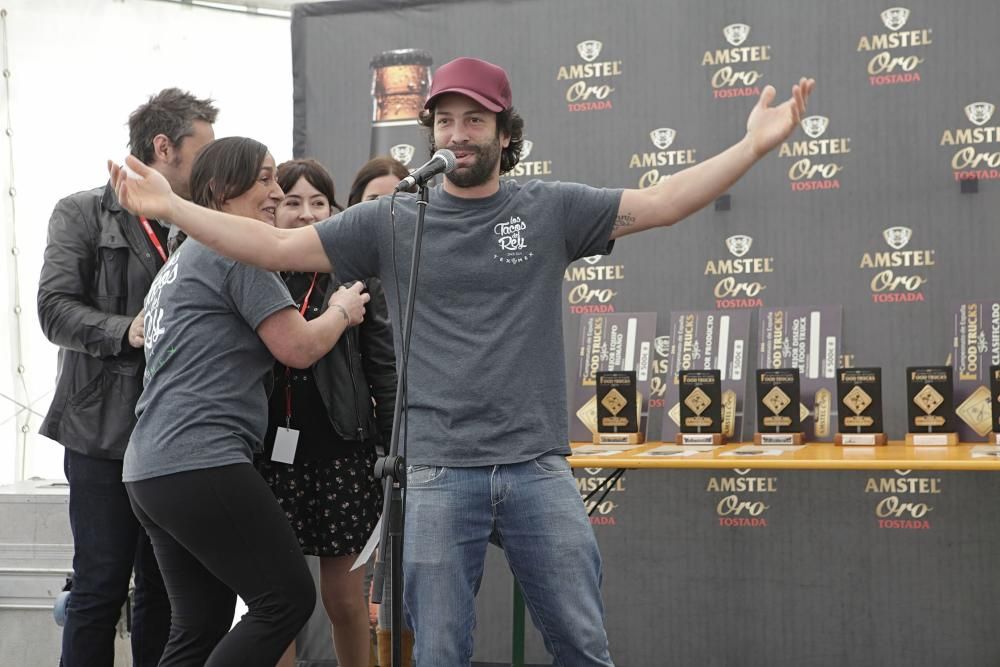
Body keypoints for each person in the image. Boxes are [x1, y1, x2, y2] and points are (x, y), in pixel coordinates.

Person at [109, 57, 814, 666]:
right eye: (444, 121)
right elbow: (275, 249)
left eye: (474, 121)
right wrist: (177, 207)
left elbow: (661, 201)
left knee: (580, 641)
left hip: (537, 466)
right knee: (440, 650)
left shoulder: (551, 209)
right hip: (441, 471)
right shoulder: (394, 218)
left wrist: (751, 146)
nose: (457, 134)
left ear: (507, 134)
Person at [121, 136, 371, 666]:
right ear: (219, 190)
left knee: (200, 625)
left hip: (150, 469)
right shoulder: (235, 252)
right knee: (286, 600)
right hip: (199, 460)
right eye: (264, 179)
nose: (277, 193)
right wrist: (342, 310)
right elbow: (298, 348)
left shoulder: (180, 260)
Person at [38, 87, 217, 667]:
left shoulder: (201, 221)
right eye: (202, 151)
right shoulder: (81, 212)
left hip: (176, 432)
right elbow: (53, 310)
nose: (211, 166)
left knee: (165, 595)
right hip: (101, 431)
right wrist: (128, 330)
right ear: (164, 148)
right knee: (100, 585)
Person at [259, 158, 396, 667]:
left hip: (345, 451)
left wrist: (391, 448)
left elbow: (383, 368)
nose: (306, 214)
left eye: (318, 202)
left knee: (344, 601)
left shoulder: (356, 274)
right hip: (270, 456)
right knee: (279, 602)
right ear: (273, 208)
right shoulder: (258, 270)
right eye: (292, 202)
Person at [344, 156, 415, 667]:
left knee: (417, 584)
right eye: (375, 202)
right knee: (370, 588)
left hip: (437, 446)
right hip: (374, 450)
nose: (389, 211)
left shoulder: (439, 263)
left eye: (403, 199)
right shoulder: (353, 277)